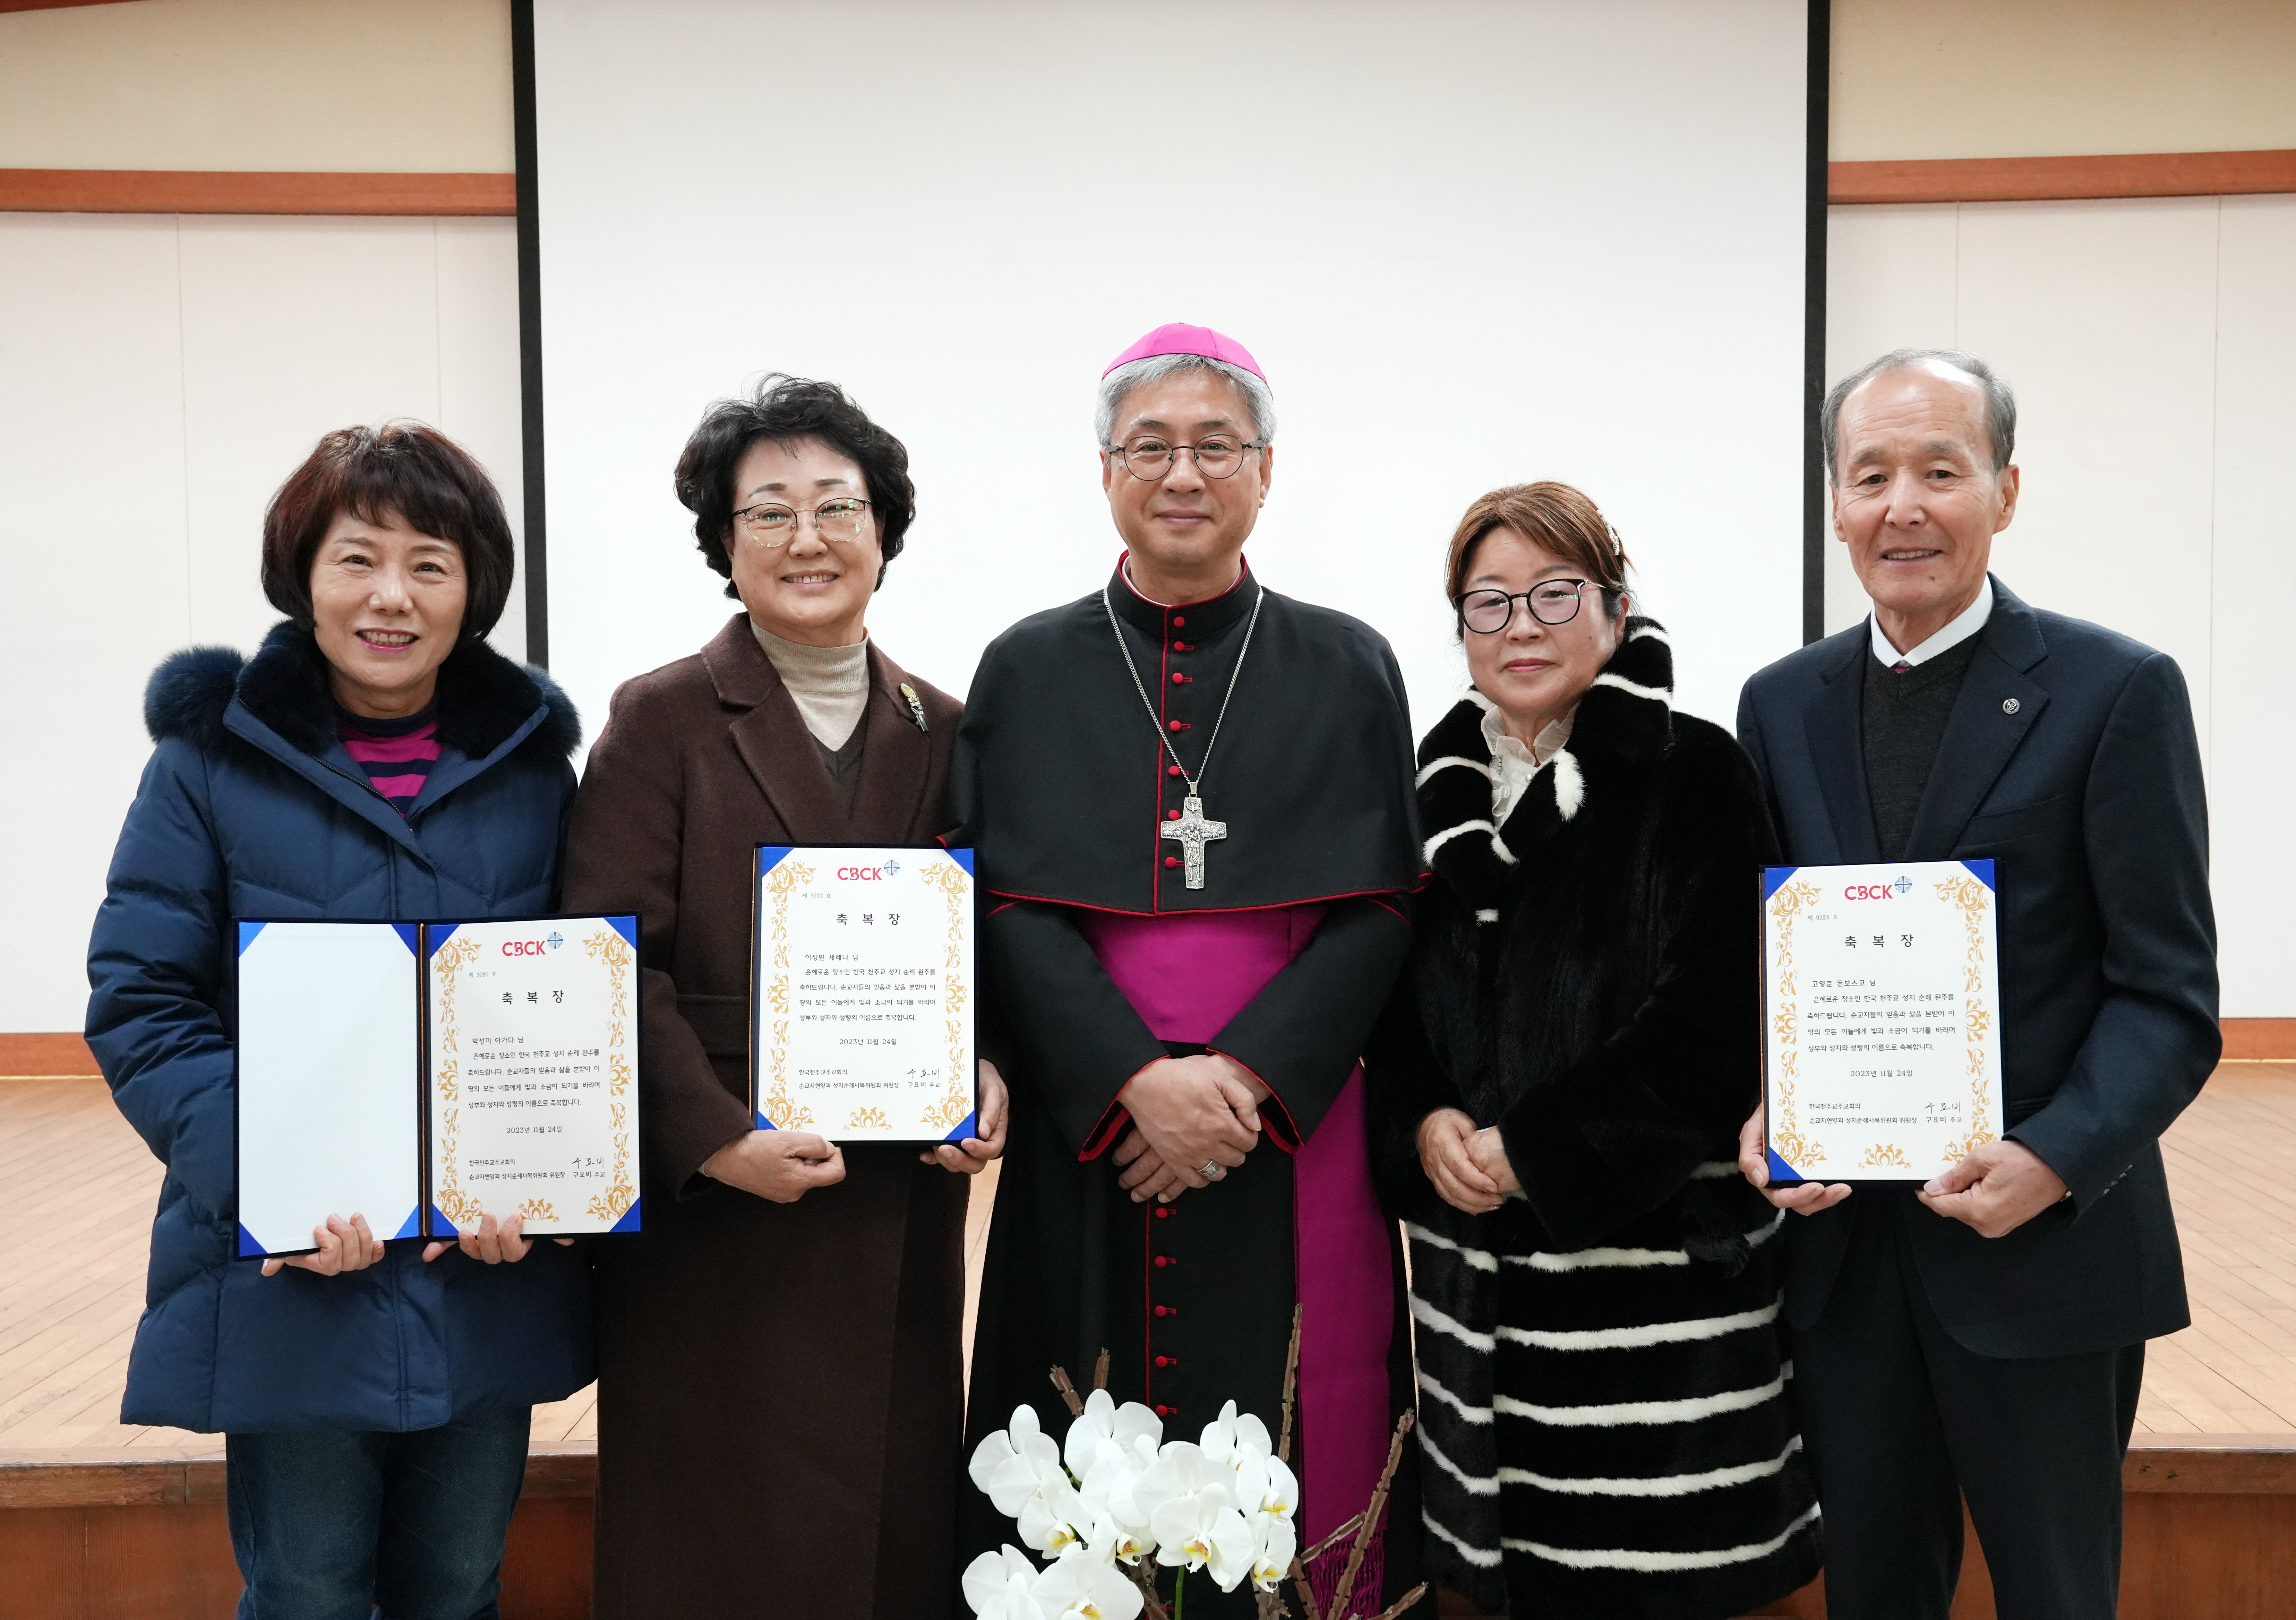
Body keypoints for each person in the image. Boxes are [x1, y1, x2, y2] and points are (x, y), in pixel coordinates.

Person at [1734, 349, 2219, 1619]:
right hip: (1847, 1261)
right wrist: (1765, 1109)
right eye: (1872, 474)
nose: (1905, 506)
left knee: (2059, 1596)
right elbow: (1775, 957)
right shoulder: (1780, 705)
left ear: (2005, 490)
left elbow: (2169, 998)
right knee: (1876, 1596)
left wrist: (2054, 1159)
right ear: (1835, 501)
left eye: (1940, 470)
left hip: (2043, 1253)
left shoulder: (2117, 691)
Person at [953, 324, 1424, 1612]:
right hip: (1091, 1134)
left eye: (1216, 445)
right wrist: (1129, 1082)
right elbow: (999, 903)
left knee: (1302, 1438)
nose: (1182, 472)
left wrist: (1244, 1080)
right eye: (1150, 445)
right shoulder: (1027, 666)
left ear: (1266, 471)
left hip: (1284, 1133)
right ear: (1104, 470)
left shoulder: (1346, 660)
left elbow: (1383, 907)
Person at [85, 423, 592, 1619]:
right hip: (291, 1281)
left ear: (475, 591)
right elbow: (142, 1005)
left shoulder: (534, 771)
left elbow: (578, 1007)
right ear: (300, 574)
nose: (391, 597)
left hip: (483, 1279)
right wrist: (270, 1182)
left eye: (430, 562)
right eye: (357, 558)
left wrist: (547, 1186)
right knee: (307, 1588)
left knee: (462, 1584)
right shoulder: (205, 767)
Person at [559, 374, 1006, 1620]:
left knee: (886, 1533)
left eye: (835, 507)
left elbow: (981, 947)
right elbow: (612, 958)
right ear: (723, 542)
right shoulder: (662, 719)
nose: (807, 539)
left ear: (883, 531)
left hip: (890, 1211)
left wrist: (983, 1071)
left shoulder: (949, 727)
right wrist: (714, 1141)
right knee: (719, 1543)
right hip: (722, 1221)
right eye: (768, 513)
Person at [1364, 483, 1819, 1620]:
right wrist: (1425, 1124)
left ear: (1617, 609)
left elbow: (1716, 1028)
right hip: (1478, 1290)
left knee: (1650, 1583)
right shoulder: (1427, 794)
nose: (1521, 625)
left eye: (1554, 593)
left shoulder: (1698, 774)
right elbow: (1392, 1013)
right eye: (1489, 602)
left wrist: (1540, 1151)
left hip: (1657, 1293)